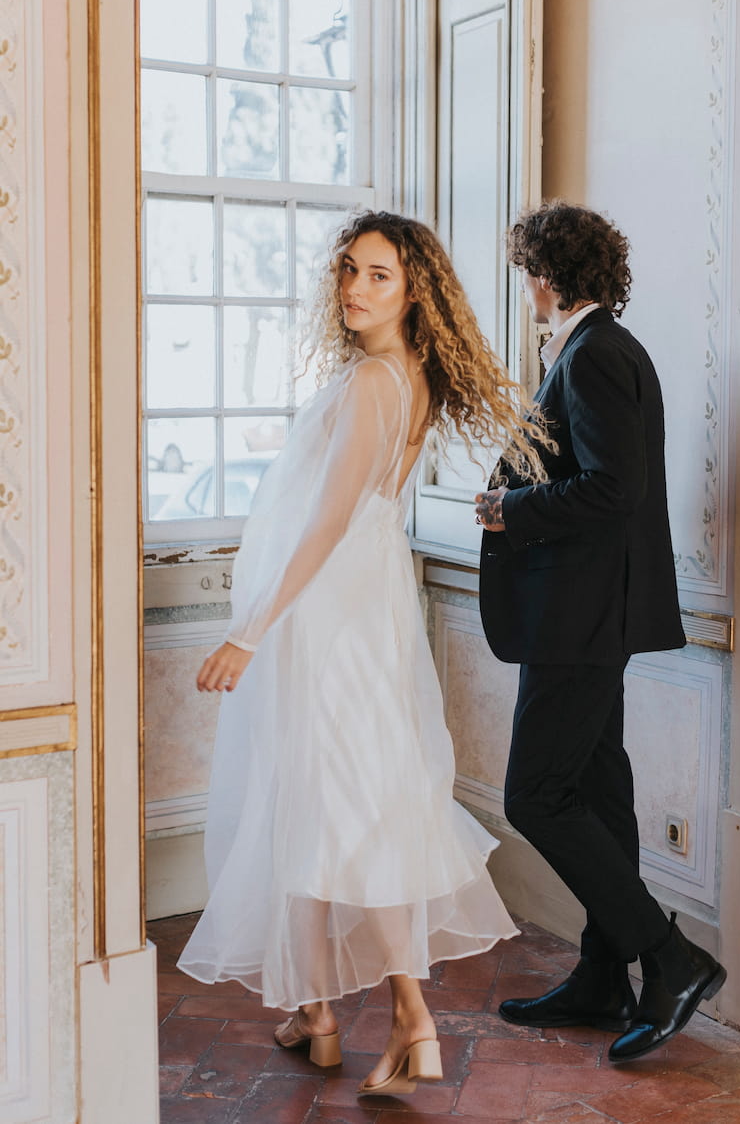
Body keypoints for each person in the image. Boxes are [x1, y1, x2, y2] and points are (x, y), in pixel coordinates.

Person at [178, 210, 556, 1096]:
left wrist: (248, 629)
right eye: (349, 269)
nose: (354, 286)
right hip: (359, 613)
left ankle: (406, 1019)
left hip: (332, 619)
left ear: (414, 287)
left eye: (378, 274)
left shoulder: (372, 385)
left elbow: (329, 517)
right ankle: (318, 1015)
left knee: (341, 805)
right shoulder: (407, 376)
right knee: (325, 804)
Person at [475, 200, 726, 1063]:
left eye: (525, 274)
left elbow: (611, 490)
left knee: (533, 796)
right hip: (587, 614)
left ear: (545, 276)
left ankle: (669, 957)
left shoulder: (593, 355)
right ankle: (597, 976)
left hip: (580, 618)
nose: (526, 288)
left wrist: (510, 507)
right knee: (599, 791)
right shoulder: (596, 348)